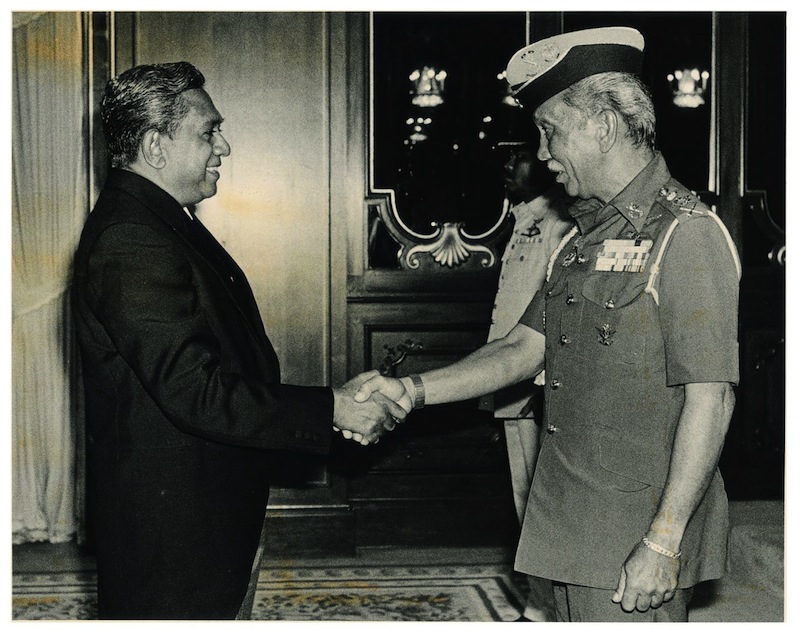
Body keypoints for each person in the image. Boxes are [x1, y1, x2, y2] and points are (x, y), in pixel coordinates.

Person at [354, 26, 741, 622]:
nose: (541, 152)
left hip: (631, 537)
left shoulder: (686, 235)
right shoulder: (582, 239)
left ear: (603, 125)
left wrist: (663, 542)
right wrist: (411, 391)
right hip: (565, 523)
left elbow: (710, 400)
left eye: (549, 131)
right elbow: (519, 349)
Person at [71, 61, 404, 620]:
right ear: (155, 145)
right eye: (208, 131)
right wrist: (331, 410)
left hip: (201, 512)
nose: (222, 146)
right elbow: (195, 391)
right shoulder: (133, 238)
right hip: (175, 531)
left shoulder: (159, 221)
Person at [481, 139, 573, 621]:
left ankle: (550, 603)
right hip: (510, 377)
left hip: (537, 380)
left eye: (515, 159)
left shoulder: (560, 223)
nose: (506, 168)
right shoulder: (522, 222)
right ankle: (540, 600)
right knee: (523, 490)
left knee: (541, 493)